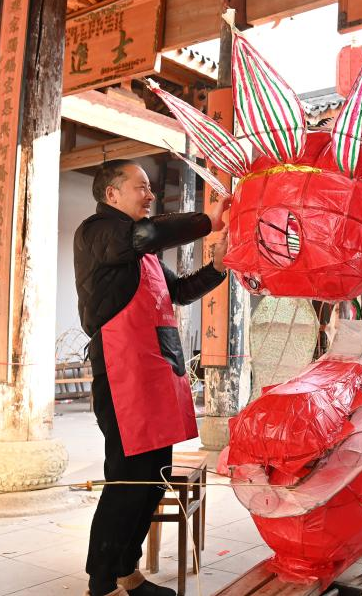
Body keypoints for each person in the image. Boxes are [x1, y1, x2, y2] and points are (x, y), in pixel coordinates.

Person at [75, 159, 231, 596]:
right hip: (123, 375)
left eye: (150, 188)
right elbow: (145, 234)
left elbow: (179, 291)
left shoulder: (141, 252)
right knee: (126, 481)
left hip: (157, 374)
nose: (150, 195)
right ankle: (101, 582)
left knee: (152, 478)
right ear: (111, 195)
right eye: (140, 187)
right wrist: (207, 221)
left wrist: (218, 267)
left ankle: (128, 570)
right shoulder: (98, 231)